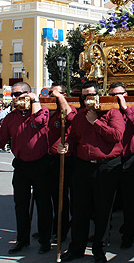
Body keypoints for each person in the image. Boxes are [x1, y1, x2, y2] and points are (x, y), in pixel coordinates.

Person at [0, 82, 52, 255]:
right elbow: (1, 140)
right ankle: (22, 239)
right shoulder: (11, 118)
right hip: (21, 165)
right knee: (20, 204)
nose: (14, 98)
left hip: (41, 163)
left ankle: (45, 239)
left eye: (18, 94)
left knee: (43, 204)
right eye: (12, 95)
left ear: (28, 94)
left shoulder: (42, 111)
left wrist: (35, 100)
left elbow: (39, 121)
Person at [59, 81, 125, 263]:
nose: (87, 99)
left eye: (90, 95)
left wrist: (95, 122)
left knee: (103, 210)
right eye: (84, 96)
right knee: (79, 210)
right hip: (83, 166)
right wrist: (66, 146)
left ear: (98, 95)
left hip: (106, 166)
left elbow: (117, 135)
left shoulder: (112, 112)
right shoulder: (80, 117)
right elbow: (73, 138)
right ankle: (76, 248)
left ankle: (99, 249)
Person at [108, 81, 134, 249]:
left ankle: (128, 235)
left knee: (130, 200)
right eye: (112, 95)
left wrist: (125, 108)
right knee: (107, 199)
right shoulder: (107, 111)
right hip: (111, 159)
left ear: (125, 95)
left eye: (119, 95)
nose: (115, 98)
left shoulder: (133, 109)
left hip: (130, 158)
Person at [46, 84, 75, 242]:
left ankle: (62, 230)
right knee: (52, 197)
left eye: (54, 93)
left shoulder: (68, 107)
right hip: (49, 158)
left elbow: (68, 114)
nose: (51, 96)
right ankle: (52, 227)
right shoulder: (50, 110)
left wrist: (59, 97)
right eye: (50, 93)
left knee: (62, 197)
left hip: (65, 158)